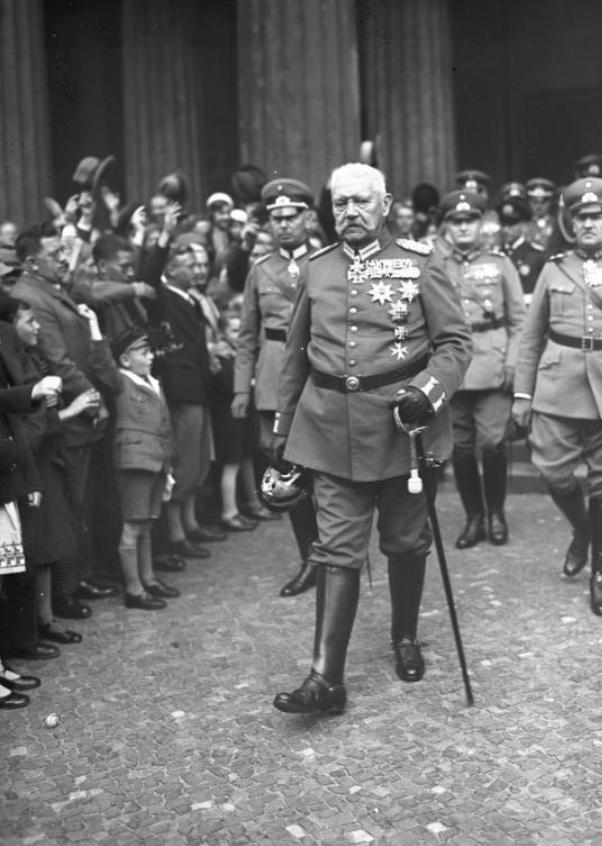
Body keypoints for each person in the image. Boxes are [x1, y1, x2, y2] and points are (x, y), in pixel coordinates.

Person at [271, 163, 471, 715]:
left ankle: (404, 636)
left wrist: (428, 392)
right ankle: (325, 680)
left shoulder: (420, 262)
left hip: (402, 431)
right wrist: (283, 431)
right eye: (341, 203)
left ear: (385, 205)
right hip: (329, 431)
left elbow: (455, 343)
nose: (350, 212)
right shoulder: (317, 268)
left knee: (405, 542)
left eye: (361, 201)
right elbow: (295, 355)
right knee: (335, 549)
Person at [512, 177, 602, 614]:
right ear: (570, 223)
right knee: (553, 472)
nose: (589, 224)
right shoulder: (553, 268)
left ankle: (600, 571)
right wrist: (522, 393)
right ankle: (583, 531)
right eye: (582, 217)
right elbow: (531, 337)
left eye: (597, 216)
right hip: (557, 384)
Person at [233, 178, 320, 597]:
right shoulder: (260, 270)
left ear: (308, 218)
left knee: (326, 468)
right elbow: (246, 336)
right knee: (285, 469)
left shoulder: (326, 262)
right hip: (272, 377)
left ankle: (336, 551)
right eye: (276, 218)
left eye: (291, 217)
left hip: (317, 373)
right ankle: (311, 558)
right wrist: (240, 390)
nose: (284, 225)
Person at [436, 190, 526, 549]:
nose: (463, 227)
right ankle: (474, 517)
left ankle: (496, 513)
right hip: (453, 368)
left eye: (469, 220)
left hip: (492, 366)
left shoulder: (500, 263)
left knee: (492, 443)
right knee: (460, 448)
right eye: (456, 221)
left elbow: (519, 322)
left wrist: (513, 362)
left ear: (480, 223)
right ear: (446, 226)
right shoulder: (435, 265)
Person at [111, 326, 178, 610]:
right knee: (132, 526)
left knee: (147, 523)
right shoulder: (120, 381)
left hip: (156, 461)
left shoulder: (152, 382)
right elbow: (101, 363)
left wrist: (169, 465)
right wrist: (94, 329)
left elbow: (165, 427)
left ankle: (148, 579)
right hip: (136, 462)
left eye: (150, 352)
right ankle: (133, 589)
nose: (151, 357)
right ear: (125, 360)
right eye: (144, 352)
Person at [497, 195, 546, 305]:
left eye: (511, 225)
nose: (506, 229)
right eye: (503, 224)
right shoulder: (496, 255)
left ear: (524, 225)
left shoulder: (537, 255)